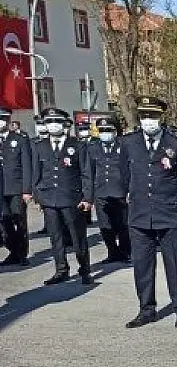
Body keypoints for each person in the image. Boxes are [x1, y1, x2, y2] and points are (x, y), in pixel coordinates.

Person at [120, 96, 177, 329]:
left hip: (169, 213)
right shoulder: (129, 143)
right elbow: (124, 176)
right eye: (143, 116)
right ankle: (146, 309)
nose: (147, 121)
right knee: (142, 265)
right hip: (140, 214)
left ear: (161, 118)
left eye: (152, 116)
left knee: (175, 263)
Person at [31, 108, 93, 285]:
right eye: (49, 122)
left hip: (72, 198)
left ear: (65, 124)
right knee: (56, 236)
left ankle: (85, 269)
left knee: (77, 236)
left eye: (56, 121)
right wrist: (38, 196)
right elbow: (37, 173)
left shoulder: (78, 145)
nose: (53, 125)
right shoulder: (39, 146)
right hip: (49, 198)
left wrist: (87, 198)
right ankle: (61, 270)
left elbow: (86, 173)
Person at [87, 118, 131, 264]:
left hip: (120, 192)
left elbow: (130, 170)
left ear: (115, 131)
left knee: (123, 225)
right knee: (105, 225)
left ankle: (125, 252)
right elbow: (90, 172)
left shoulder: (123, 146)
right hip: (101, 192)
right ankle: (112, 252)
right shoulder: (93, 147)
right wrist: (89, 195)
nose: (105, 133)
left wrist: (130, 189)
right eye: (102, 131)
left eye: (108, 131)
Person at [0, 106, 34, 267]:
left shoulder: (19, 140)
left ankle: (21, 254)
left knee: (19, 221)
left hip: (15, 187)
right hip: (1, 189)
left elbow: (27, 165)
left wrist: (27, 190)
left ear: (8, 120)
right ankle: (13, 250)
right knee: (4, 222)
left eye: (3, 119)